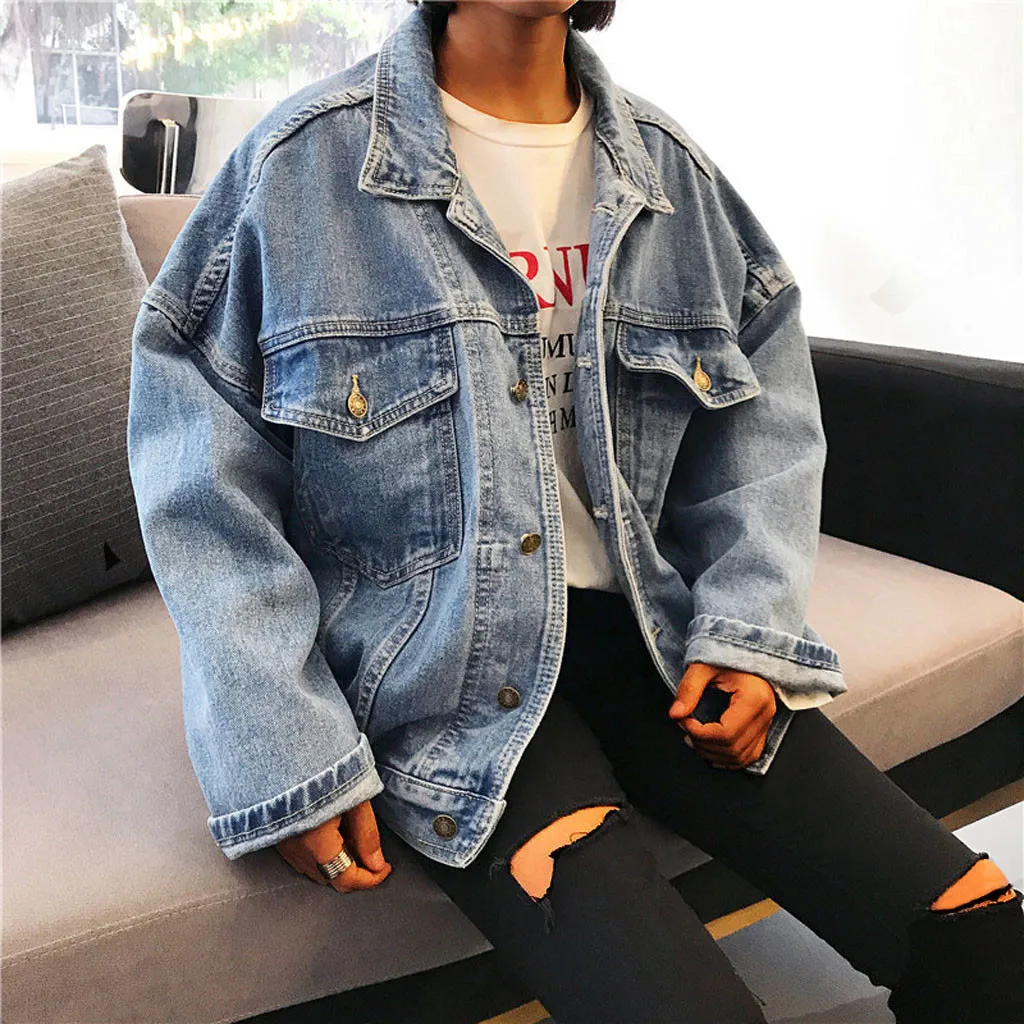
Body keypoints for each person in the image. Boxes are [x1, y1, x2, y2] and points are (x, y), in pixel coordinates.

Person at [126, 1, 1024, 1021]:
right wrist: (284, 744)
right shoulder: (301, 170)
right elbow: (200, 477)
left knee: (988, 942)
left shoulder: (669, 175)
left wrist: (748, 627)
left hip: (650, 643)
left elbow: (760, 417)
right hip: (442, 673)